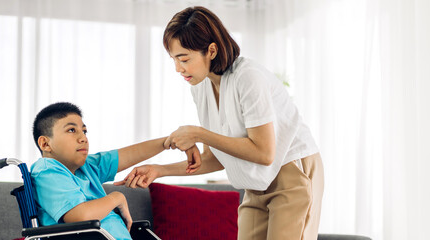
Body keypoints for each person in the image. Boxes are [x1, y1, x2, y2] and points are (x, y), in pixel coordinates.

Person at [118, 6, 324, 240]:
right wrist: (159, 170)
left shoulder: (248, 77)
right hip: (255, 185)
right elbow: (215, 157)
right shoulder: (201, 87)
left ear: (212, 50)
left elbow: (265, 152)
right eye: (174, 59)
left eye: (184, 58)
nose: (178, 68)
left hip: (291, 171)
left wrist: (199, 134)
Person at [30, 102, 201, 240]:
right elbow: (80, 216)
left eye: (84, 130)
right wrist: (116, 197)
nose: (83, 137)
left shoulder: (87, 167)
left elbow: (130, 154)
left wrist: (171, 142)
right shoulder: (47, 171)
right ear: (45, 144)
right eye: (71, 130)